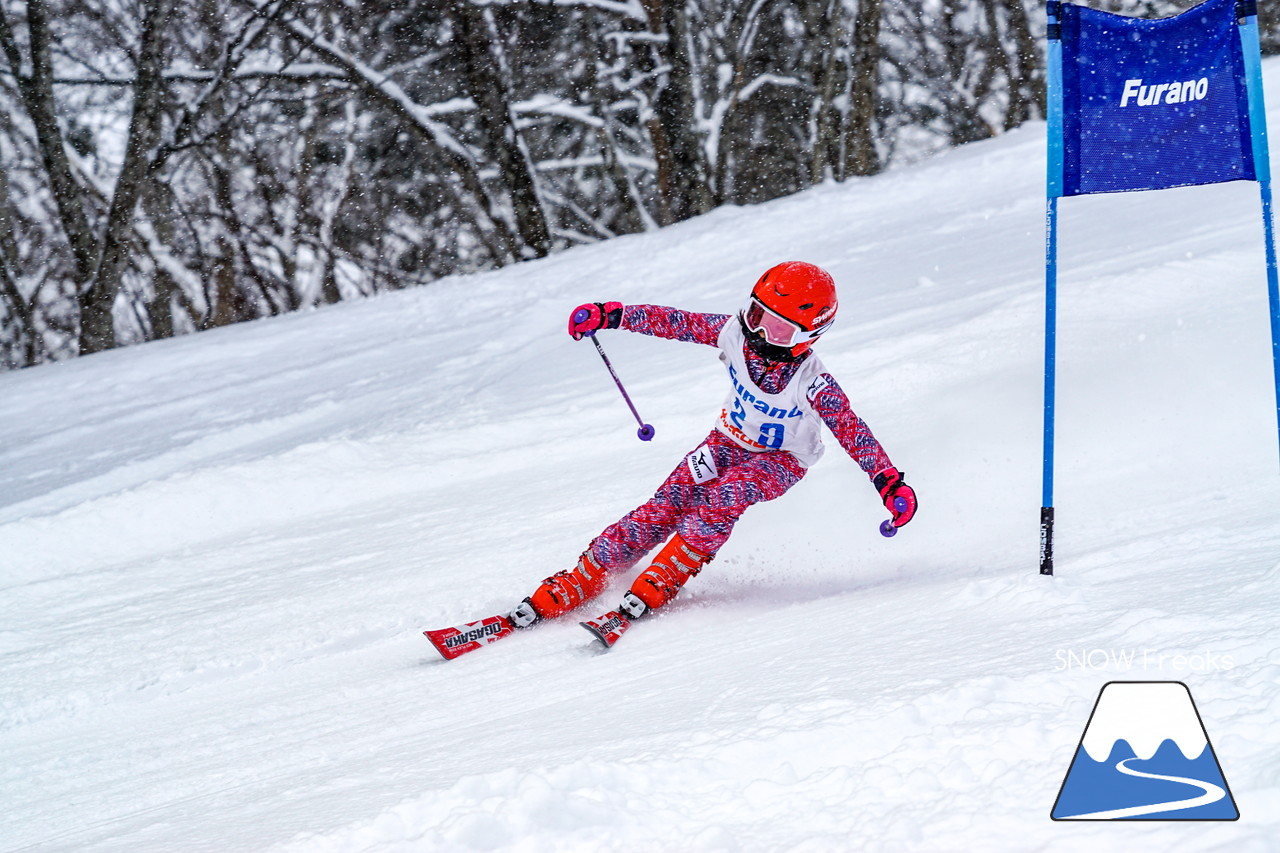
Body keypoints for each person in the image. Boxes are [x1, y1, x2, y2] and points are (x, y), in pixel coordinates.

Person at [509, 260, 917, 631]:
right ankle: (590, 572)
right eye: (757, 315)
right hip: (726, 441)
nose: (759, 333)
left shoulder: (812, 382)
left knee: (725, 494)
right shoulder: (734, 334)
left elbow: (852, 430)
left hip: (781, 460)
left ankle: (668, 573)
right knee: (667, 503)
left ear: (809, 335)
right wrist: (612, 315)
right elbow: (674, 322)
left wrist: (888, 483)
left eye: (778, 329)